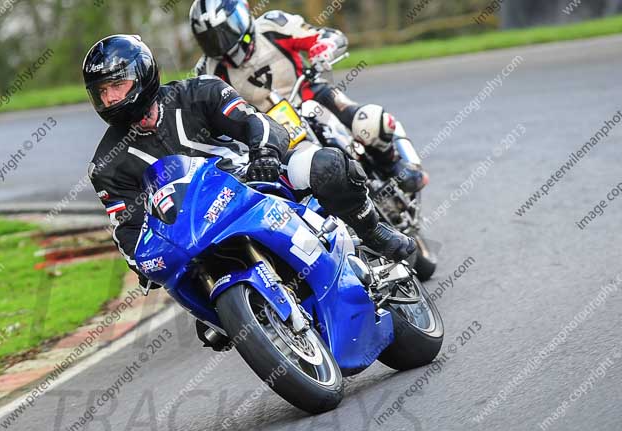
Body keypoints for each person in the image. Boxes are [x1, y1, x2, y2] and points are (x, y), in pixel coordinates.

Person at [83, 34, 415, 296]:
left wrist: (265, 153)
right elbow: (127, 229)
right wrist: (144, 264)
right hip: (194, 235)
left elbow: (257, 122)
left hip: (254, 182)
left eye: (117, 85)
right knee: (183, 287)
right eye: (101, 91)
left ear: (143, 75)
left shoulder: (200, 92)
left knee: (326, 164)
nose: (109, 99)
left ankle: (372, 230)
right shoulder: (106, 166)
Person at [189, 0, 427, 193]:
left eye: (226, 32)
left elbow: (329, 35)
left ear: (242, 17)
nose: (221, 44)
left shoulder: (273, 25)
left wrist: (323, 48)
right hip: (272, 128)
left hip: (312, 95)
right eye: (211, 39)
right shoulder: (208, 71)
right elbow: (206, 114)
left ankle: (395, 166)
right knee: (295, 178)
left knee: (372, 121)